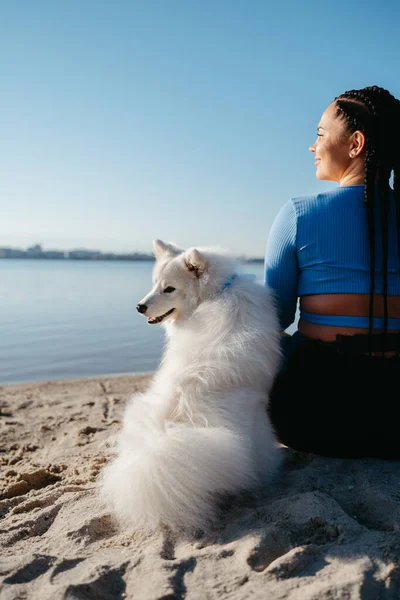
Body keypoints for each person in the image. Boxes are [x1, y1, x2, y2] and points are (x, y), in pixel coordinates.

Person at [264, 85, 400, 459]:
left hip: (310, 418)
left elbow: (271, 319)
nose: (313, 146)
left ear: (355, 143)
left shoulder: (299, 214)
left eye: (320, 134)